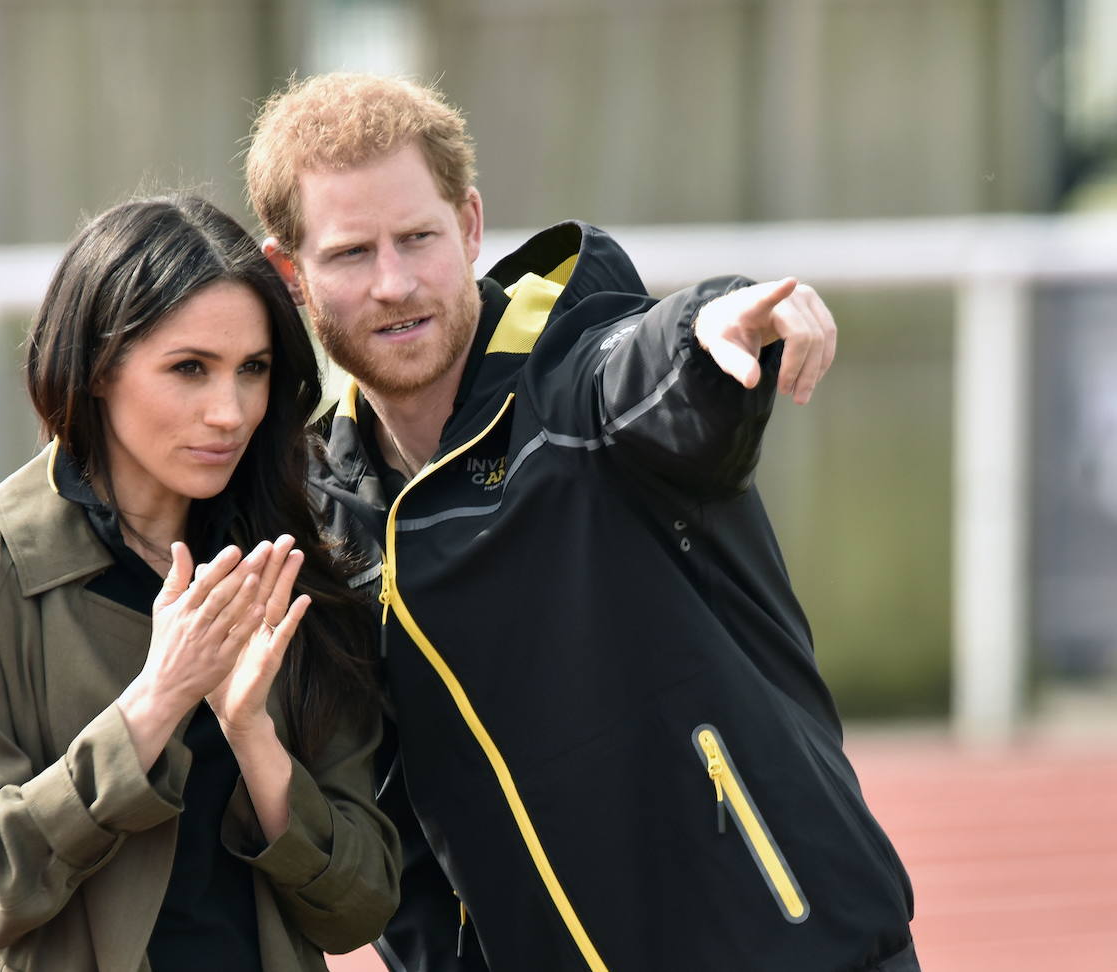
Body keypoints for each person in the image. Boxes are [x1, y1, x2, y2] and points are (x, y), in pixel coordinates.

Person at [244, 74, 918, 971]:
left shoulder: (576, 383)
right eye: (351, 254)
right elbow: (393, 822)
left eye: (417, 237)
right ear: (290, 271)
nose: (395, 283)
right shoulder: (330, 523)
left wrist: (713, 329)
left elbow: (653, 371)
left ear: (472, 225)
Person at [0, 194, 400, 972]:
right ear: (95, 369)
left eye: (252, 370)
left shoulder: (296, 569)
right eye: (189, 368)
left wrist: (252, 734)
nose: (228, 411)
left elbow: (358, 907)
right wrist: (156, 701)